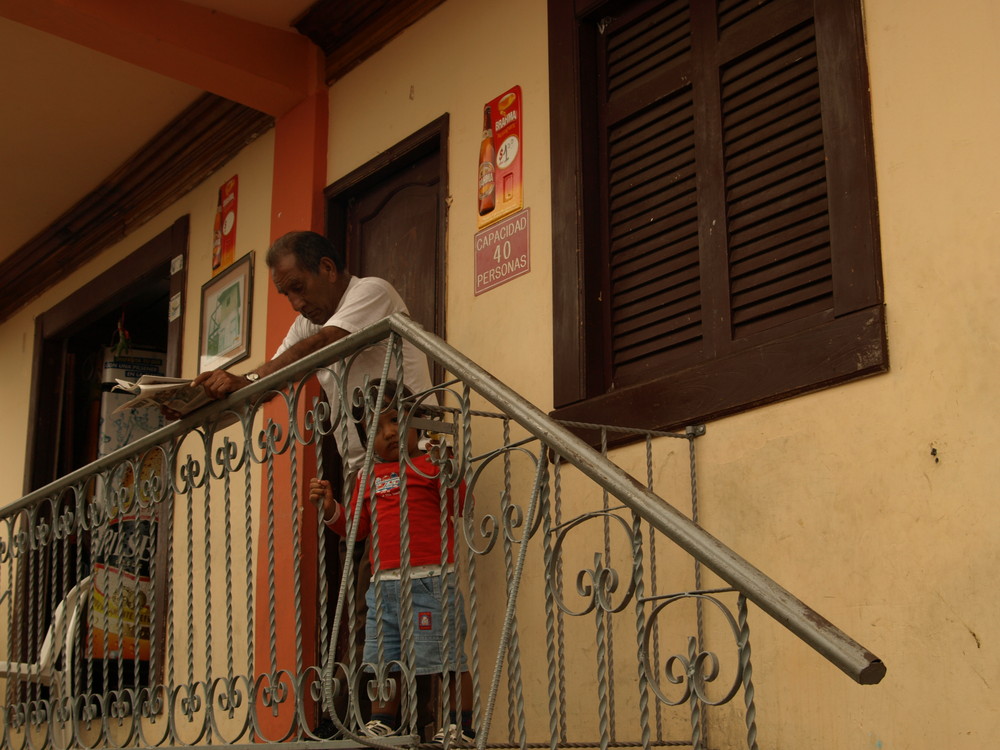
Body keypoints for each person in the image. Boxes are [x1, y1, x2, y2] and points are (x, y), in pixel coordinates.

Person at [310, 380, 475, 746]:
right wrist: (330, 510)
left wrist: (447, 468)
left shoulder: (429, 465)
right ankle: (384, 719)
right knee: (385, 658)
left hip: (431, 579)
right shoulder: (367, 477)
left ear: (416, 422)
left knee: (445, 658)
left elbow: (460, 506)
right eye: (375, 425)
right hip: (383, 584)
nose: (386, 432)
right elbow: (356, 529)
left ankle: (460, 724)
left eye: (395, 420)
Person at [192, 230, 433, 474]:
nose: (296, 304)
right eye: (287, 295)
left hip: (416, 456)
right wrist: (194, 402)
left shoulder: (372, 291)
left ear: (328, 268)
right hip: (364, 470)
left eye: (298, 287)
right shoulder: (305, 325)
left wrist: (249, 380)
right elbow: (270, 381)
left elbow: (325, 343)